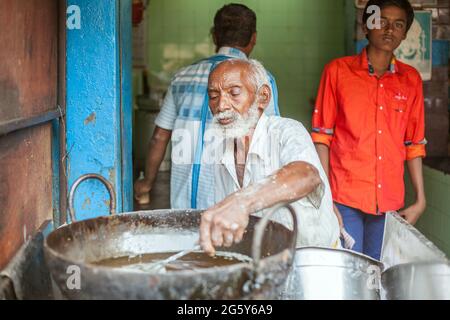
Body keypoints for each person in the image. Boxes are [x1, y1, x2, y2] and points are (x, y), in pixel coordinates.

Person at [134, 3, 280, 209]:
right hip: (233, 213)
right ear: (253, 38)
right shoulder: (261, 81)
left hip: (183, 209)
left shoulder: (182, 77)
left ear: (214, 36)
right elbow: (268, 144)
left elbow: (159, 136)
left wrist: (146, 183)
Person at [311, 0, 426, 260]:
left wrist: (420, 199)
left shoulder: (411, 80)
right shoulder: (338, 72)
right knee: (350, 273)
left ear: (405, 33)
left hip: (389, 203)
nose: (389, 29)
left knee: (378, 274)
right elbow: (322, 137)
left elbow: (414, 143)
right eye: (381, 21)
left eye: (398, 25)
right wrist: (325, 196)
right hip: (343, 198)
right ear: (367, 25)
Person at [199, 59, 340, 255]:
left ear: (263, 97)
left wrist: (242, 201)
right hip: (267, 264)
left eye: (234, 93)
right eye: (214, 96)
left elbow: (307, 175)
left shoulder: (286, 131)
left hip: (314, 262)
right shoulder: (220, 151)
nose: (221, 105)